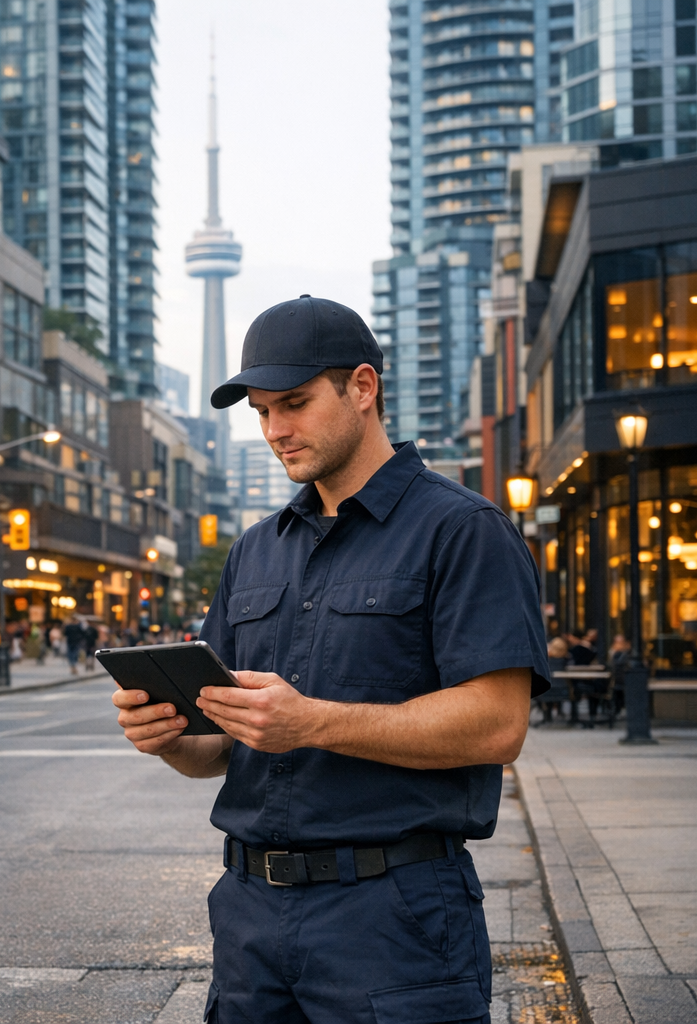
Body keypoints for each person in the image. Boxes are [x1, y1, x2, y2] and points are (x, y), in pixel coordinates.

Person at [112, 294, 550, 1023]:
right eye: (260, 411)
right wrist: (167, 737)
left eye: (294, 402)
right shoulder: (253, 551)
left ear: (363, 388)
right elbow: (222, 745)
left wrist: (311, 722)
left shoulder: (464, 531)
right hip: (250, 916)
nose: (275, 431)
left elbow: (497, 726)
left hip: (394, 917)